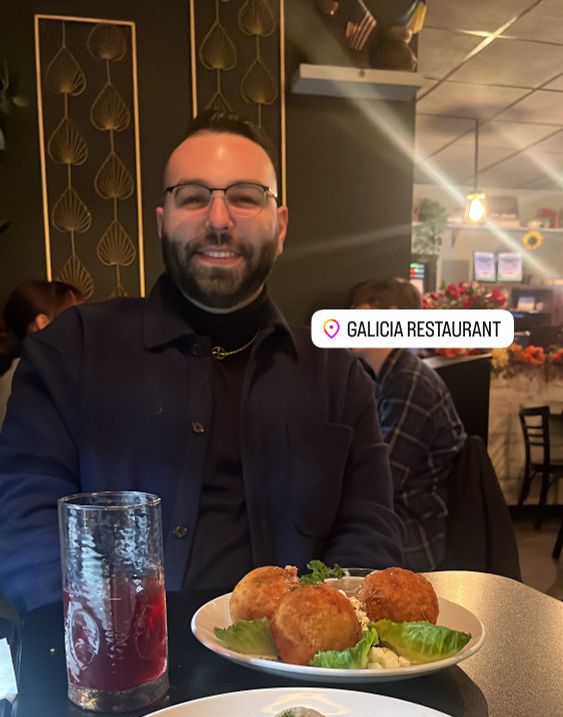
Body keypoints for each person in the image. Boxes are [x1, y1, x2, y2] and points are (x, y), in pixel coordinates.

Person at [0, 111, 403, 612]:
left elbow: (369, 532)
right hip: (113, 653)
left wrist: (314, 631)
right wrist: (114, 634)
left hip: (297, 660)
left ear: (280, 227)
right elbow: (23, 514)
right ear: (161, 222)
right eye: (192, 197)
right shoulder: (71, 350)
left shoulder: (338, 378)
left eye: (245, 197)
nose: (218, 219)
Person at [349, 276, 466, 572]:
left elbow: (381, 481)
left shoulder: (409, 383)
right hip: (399, 523)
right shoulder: (390, 378)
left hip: (412, 535)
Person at [0, 279, 82, 427]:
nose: (84, 327)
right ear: (42, 324)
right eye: (77, 319)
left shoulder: (57, 374)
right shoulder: (20, 381)